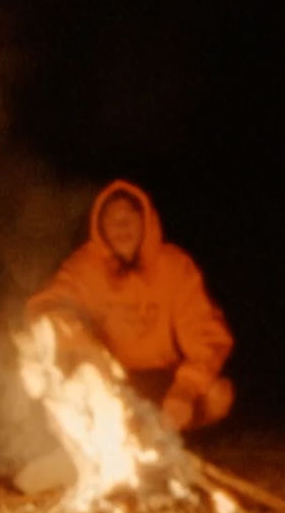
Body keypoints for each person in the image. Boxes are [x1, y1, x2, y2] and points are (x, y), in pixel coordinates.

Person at [26, 180, 235, 431]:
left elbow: (207, 336)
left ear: (146, 222)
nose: (121, 226)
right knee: (41, 378)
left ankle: (170, 440)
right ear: (100, 228)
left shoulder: (174, 266)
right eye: (112, 219)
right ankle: (100, 439)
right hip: (106, 382)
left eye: (130, 217)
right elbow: (46, 306)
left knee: (218, 393)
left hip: (164, 384)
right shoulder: (85, 267)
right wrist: (81, 340)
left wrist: (186, 390)